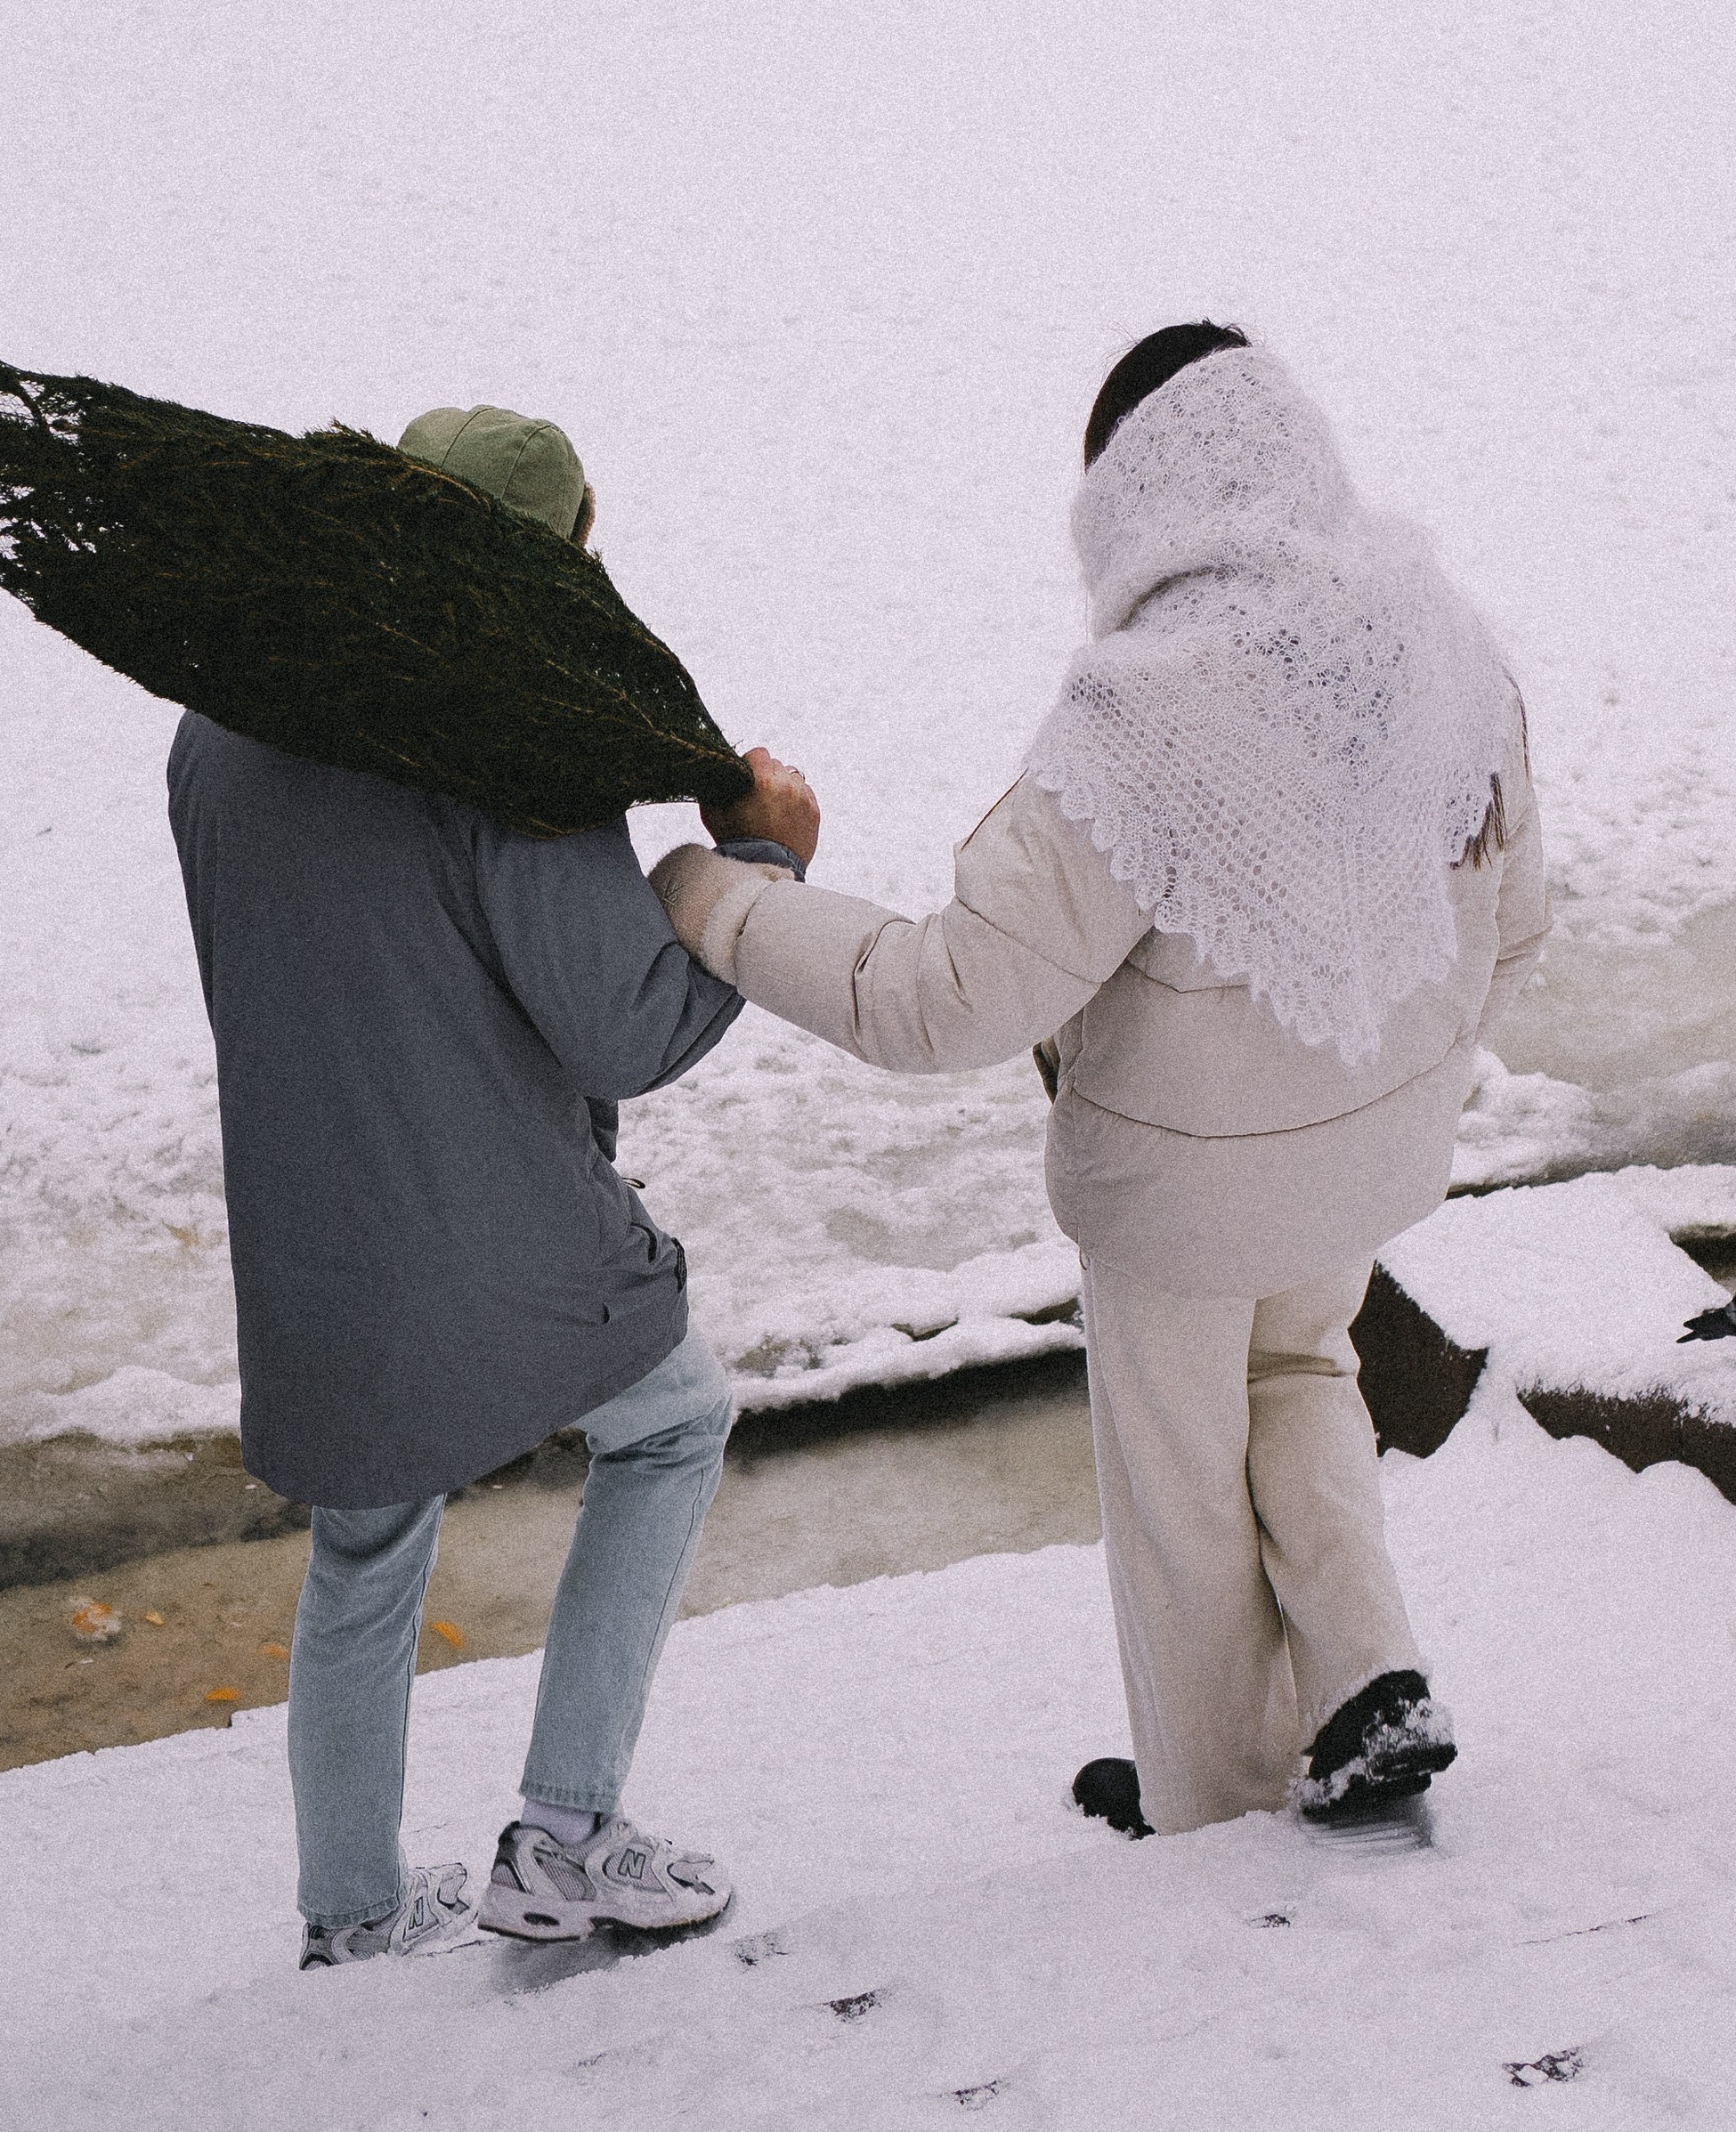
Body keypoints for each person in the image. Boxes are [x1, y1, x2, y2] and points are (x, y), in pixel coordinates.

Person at [658, 327, 1546, 1843]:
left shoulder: (1139, 718)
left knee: (1180, 1481)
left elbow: (943, 1001)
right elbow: (1512, 928)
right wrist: (1394, 1076)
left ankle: (1219, 1811)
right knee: (1304, 1370)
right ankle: (1369, 1674)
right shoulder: (1447, 648)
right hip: (1368, 1154)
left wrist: (715, 897)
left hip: (1178, 1196)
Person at [167, 400, 814, 1968]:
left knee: (366, 1544)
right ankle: (569, 1837)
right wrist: (762, 861)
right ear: (557, 553)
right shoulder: (502, 747)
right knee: (673, 1424)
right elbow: (627, 1027)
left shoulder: (222, 723)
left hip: (308, 1235)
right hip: (495, 1228)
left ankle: (352, 1915)